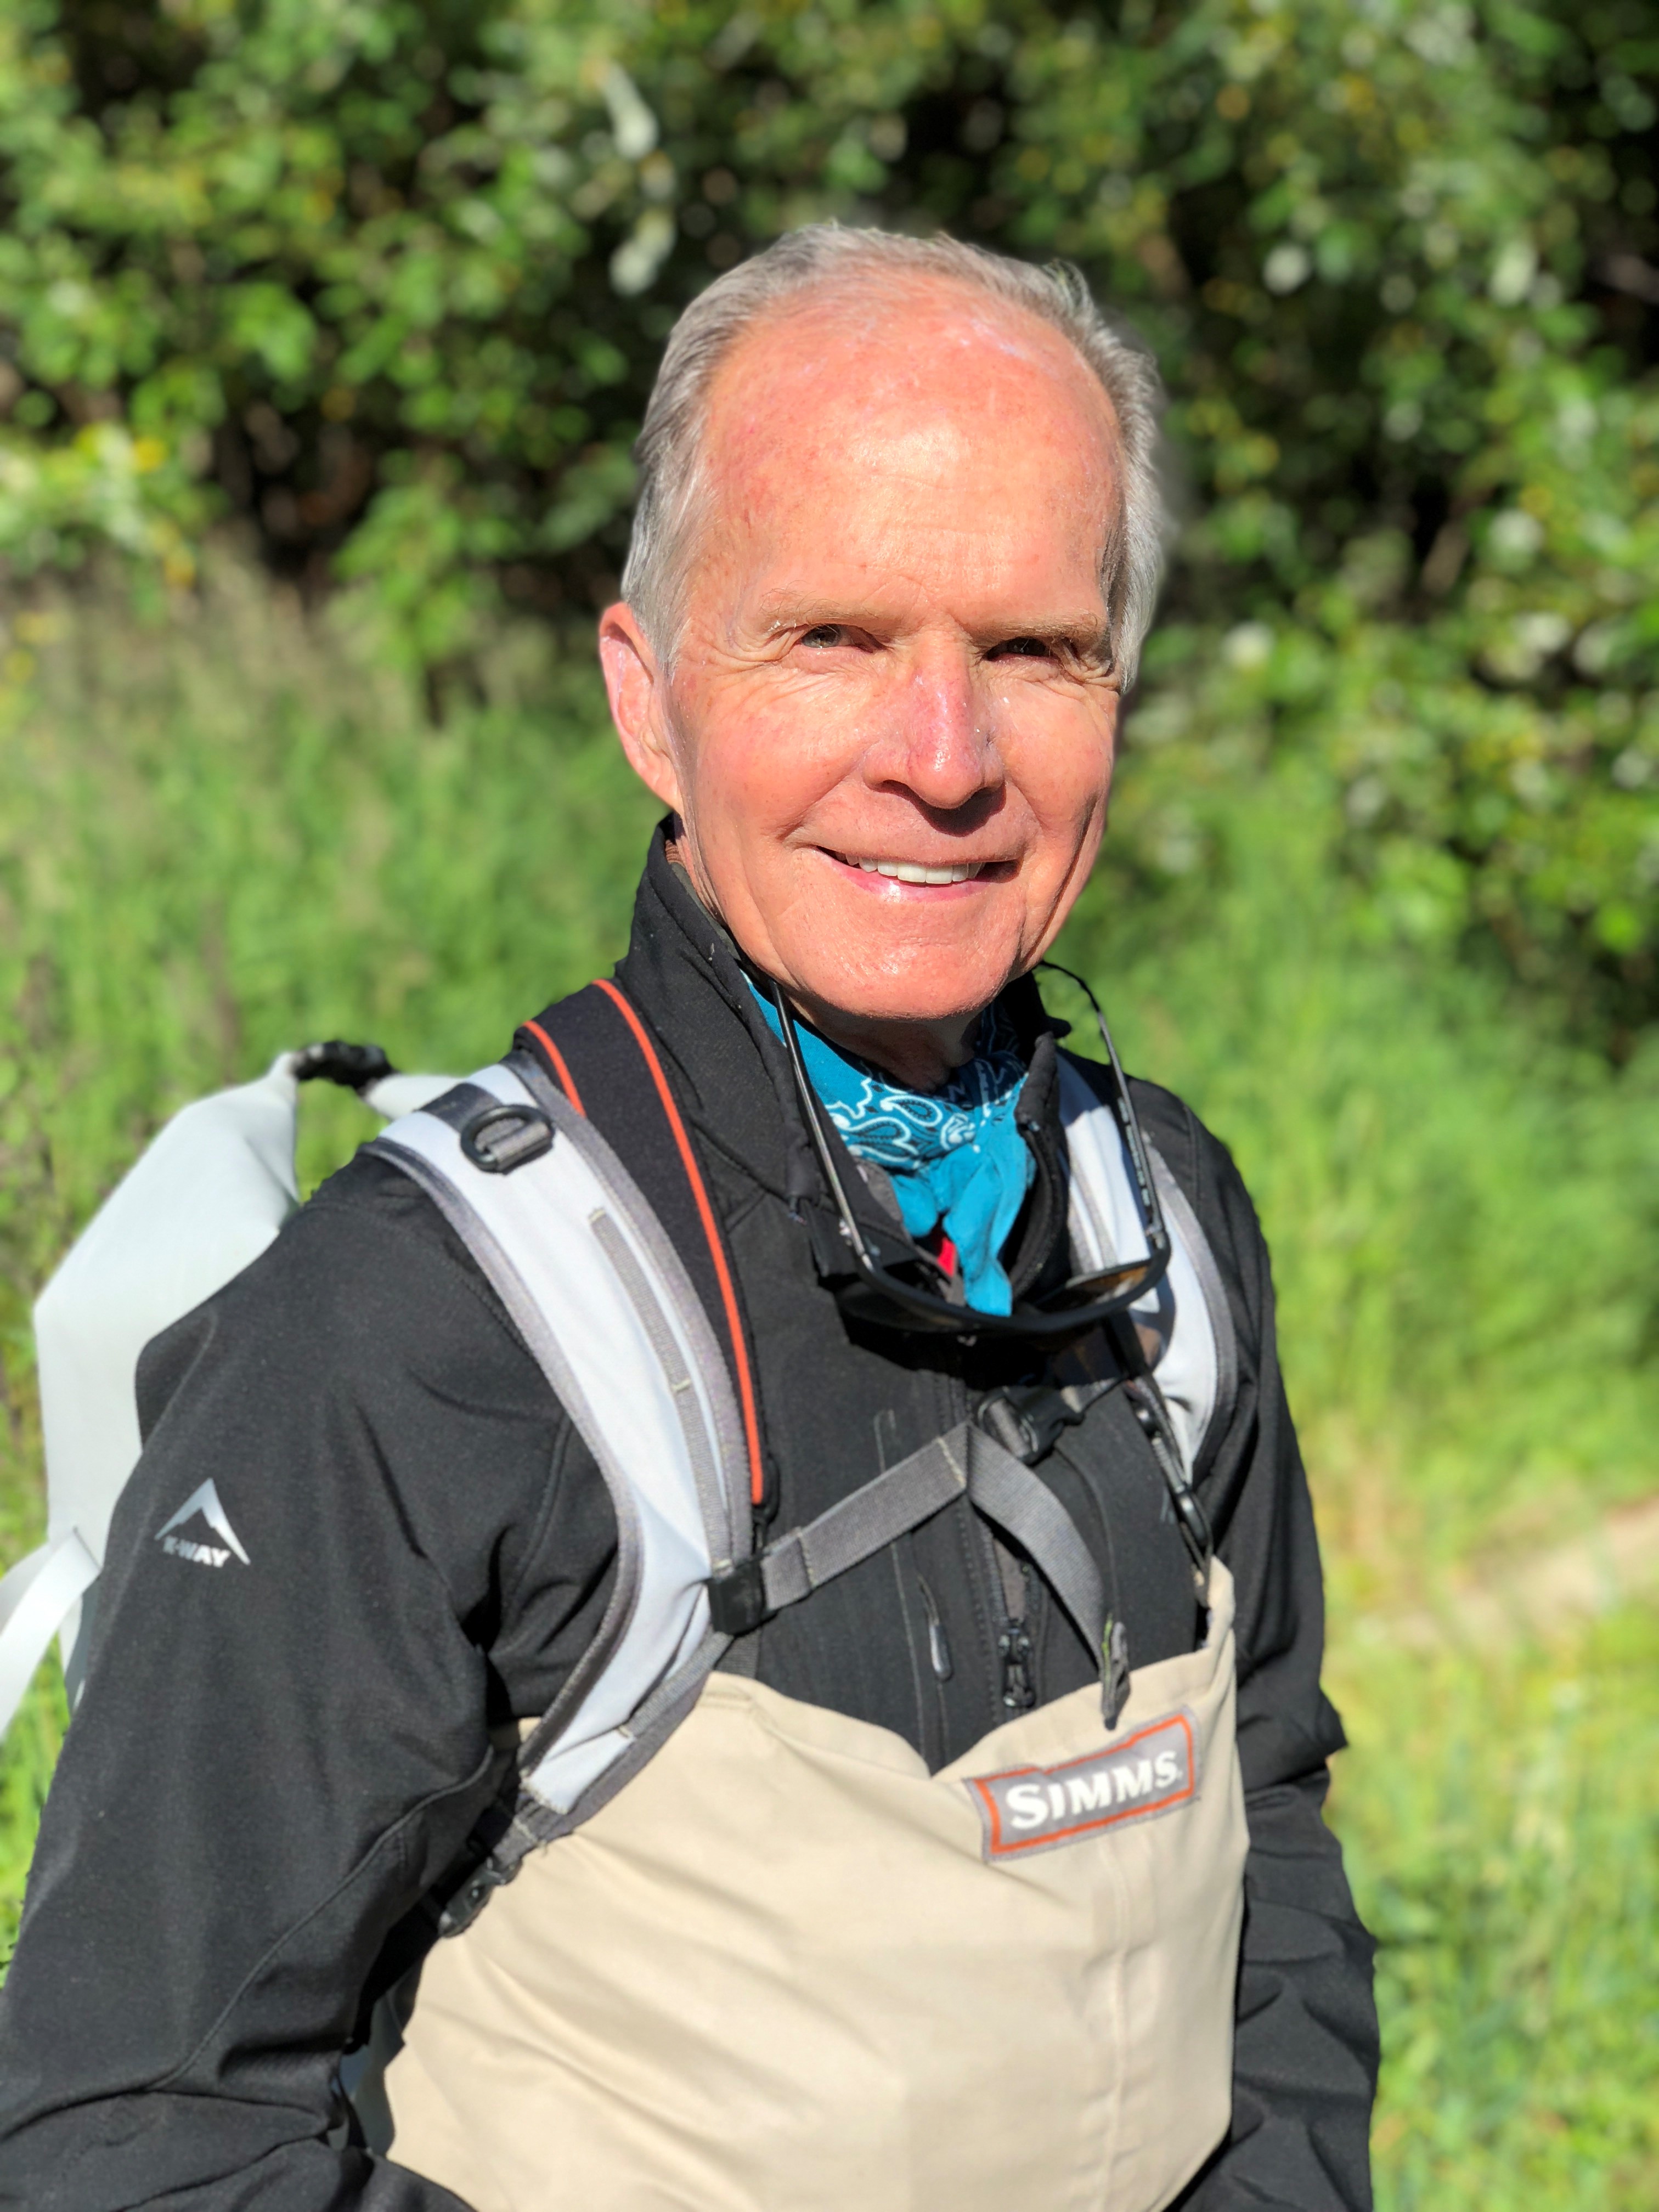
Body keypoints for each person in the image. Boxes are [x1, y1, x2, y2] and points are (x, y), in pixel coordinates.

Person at [0, 227, 1377, 2211]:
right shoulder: (413, 1332)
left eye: (1035, 652)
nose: (945, 757)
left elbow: (1271, 1815)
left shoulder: (1163, 1219)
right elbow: (137, 2139)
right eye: (828, 637)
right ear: (650, 703)